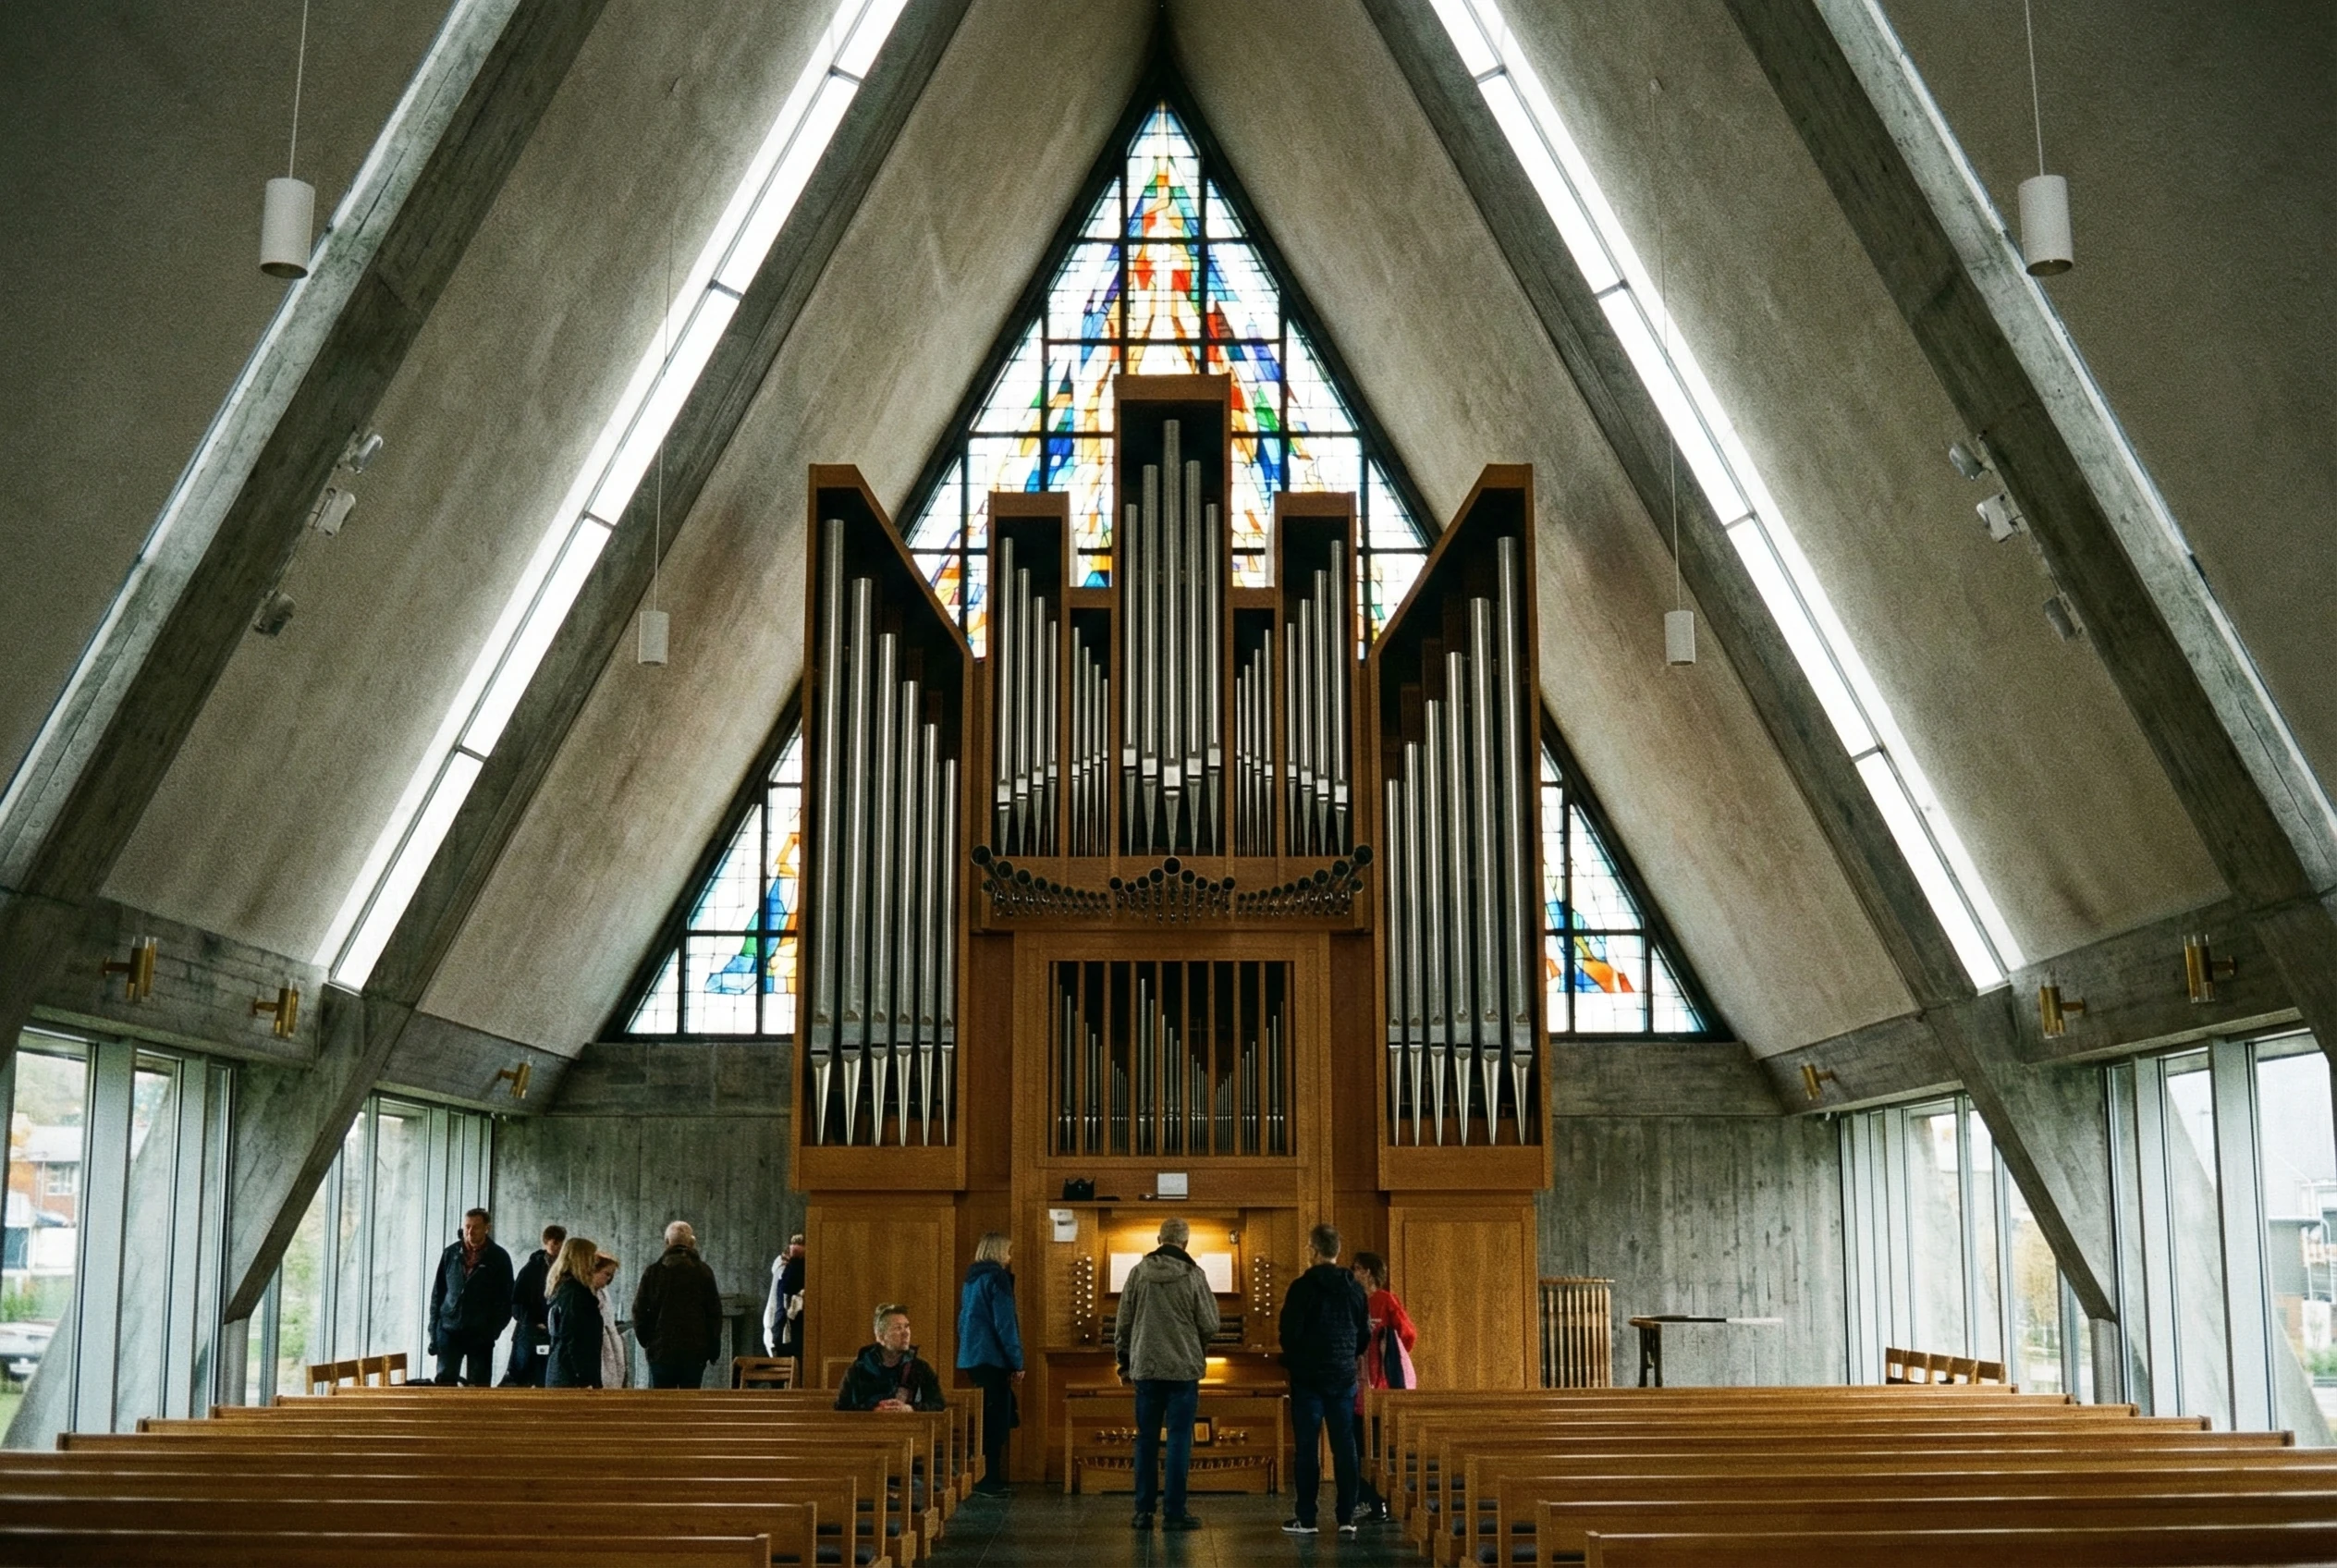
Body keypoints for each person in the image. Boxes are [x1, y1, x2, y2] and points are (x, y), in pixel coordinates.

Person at [1114, 1217, 1218, 1533]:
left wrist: (1124, 1363)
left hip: (1146, 1368)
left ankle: (1143, 1512)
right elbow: (1210, 1323)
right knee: (1179, 1439)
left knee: (1146, 1439)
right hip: (1183, 1370)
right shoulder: (1194, 1275)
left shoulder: (1138, 1273)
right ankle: (1174, 1513)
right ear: (1185, 1243)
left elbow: (1123, 1323)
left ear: (1160, 1240)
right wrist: (1195, 1344)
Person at [1278, 1223, 1369, 1538]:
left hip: (1308, 1380)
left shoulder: (1302, 1287)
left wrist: (1298, 1360)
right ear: (1337, 1252)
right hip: (1343, 1378)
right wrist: (1345, 1358)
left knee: (1306, 1449)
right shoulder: (1355, 1289)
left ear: (1314, 1250)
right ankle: (1347, 1517)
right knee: (1345, 1447)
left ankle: (1307, 1518)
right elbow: (1363, 1335)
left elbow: (1288, 1333)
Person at [1350, 1249, 1416, 1525]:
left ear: (1367, 1272)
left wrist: (1390, 1354)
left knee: (1376, 1447)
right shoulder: (1353, 1300)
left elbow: (1408, 1334)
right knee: (1356, 1446)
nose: (1353, 1274)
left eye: (1356, 1269)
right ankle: (1363, 1499)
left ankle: (1378, 1503)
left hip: (1379, 1385)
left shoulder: (1385, 1300)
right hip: (1355, 1382)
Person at [955, 1231, 1023, 1497]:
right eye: (1008, 1251)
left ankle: (986, 1477)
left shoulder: (971, 1278)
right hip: (992, 1357)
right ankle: (987, 1480)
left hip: (973, 1356)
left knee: (988, 1418)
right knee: (996, 1422)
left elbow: (964, 1318)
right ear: (997, 1251)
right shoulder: (997, 1277)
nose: (1010, 1257)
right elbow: (1005, 1322)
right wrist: (1017, 1361)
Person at [630, 1219, 725, 1389]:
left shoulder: (653, 1272)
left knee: (663, 1400)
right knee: (691, 1400)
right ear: (692, 1243)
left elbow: (639, 1311)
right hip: (695, 1351)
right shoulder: (704, 1272)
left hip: (661, 1350)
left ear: (667, 1242)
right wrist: (712, 1350)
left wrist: (648, 1342)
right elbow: (714, 1314)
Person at [428, 1207, 515, 1386]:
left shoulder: (499, 1257)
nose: (470, 1231)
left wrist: (493, 1330)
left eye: (476, 1227)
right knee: (444, 1380)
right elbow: (438, 1293)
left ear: (487, 1228)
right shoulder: (451, 1253)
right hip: (449, 1328)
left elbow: (507, 1299)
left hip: (481, 1332)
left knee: (479, 1385)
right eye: (467, 1226)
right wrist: (434, 1329)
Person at [836, 1304, 947, 1412]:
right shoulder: (859, 1368)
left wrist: (910, 1409)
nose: (906, 1333)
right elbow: (841, 1407)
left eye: (907, 1327)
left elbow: (938, 1404)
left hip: (908, 1423)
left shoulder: (920, 1368)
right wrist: (873, 1410)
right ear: (880, 1336)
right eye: (898, 1328)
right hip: (870, 1424)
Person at [503, 1223, 568, 1386]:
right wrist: (533, 1322)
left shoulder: (566, 1269)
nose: (557, 1247)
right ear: (545, 1242)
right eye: (553, 1242)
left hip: (554, 1330)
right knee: (524, 1375)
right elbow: (517, 1301)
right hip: (530, 1331)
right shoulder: (532, 1268)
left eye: (560, 1242)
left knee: (546, 1376)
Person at [543, 1235, 606, 1389]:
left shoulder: (564, 1289)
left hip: (563, 1370)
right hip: (572, 1375)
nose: (595, 1263)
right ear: (582, 1259)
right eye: (592, 1257)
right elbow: (574, 1338)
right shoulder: (575, 1294)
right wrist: (584, 1378)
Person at [763, 1233, 805, 1359]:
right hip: (788, 1325)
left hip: (782, 1325)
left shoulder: (783, 1266)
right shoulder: (789, 1266)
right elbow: (786, 1291)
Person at [593, 1253, 629, 1390]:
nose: (608, 1280)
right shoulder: (585, 1293)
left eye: (611, 1276)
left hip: (608, 1338)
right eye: (606, 1274)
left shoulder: (603, 1292)